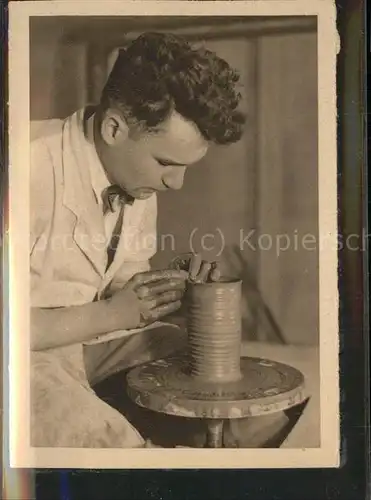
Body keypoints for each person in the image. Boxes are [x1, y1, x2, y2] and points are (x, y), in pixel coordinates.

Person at [30, 32, 247, 448]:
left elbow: (119, 279)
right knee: (101, 437)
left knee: (210, 377)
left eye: (186, 167)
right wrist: (115, 314)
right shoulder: (24, 165)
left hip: (83, 345)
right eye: (166, 163)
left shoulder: (134, 178)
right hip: (21, 355)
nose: (176, 183)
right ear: (114, 128)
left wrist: (167, 291)